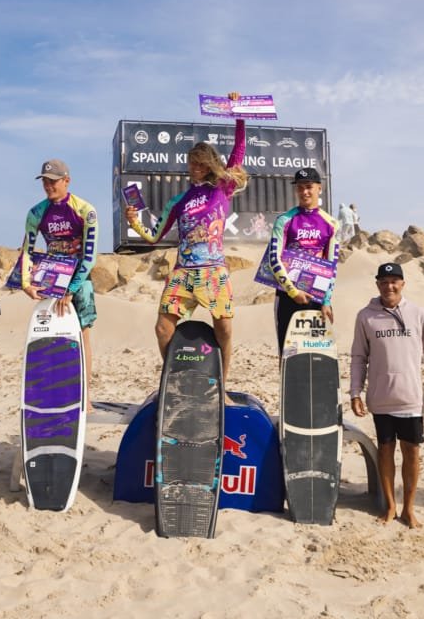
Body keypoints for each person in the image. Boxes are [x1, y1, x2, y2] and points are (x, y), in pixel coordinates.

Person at [125, 92, 247, 386]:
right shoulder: (178, 201)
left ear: (209, 165)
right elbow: (155, 237)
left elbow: (238, 153)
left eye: (199, 164)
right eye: (191, 163)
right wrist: (134, 222)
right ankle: (176, 382)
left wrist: (238, 114)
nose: (193, 168)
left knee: (225, 328)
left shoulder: (222, 189)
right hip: (184, 272)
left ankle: (222, 385)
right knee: (163, 329)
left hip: (214, 270)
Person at [349, 262, 424, 528]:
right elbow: (358, 357)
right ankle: (390, 506)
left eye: (394, 281)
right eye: (383, 282)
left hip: (411, 398)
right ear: (377, 284)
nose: (389, 286)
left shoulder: (418, 313)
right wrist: (355, 392)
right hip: (380, 399)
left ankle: (409, 509)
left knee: (412, 453)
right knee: (385, 452)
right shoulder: (365, 316)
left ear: (402, 283)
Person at [21, 158, 98, 405]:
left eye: (53, 181)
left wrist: (72, 290)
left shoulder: (85, 210)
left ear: (67, 181)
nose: (48, 185)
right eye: (45, 181)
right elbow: (26, 251)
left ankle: (85, 396)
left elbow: (90, 256)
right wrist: (25, 283)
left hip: (79, 280)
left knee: (82, 334)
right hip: (52, 279)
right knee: (52, 334)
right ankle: (56, 391)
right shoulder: (36, 212)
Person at [267, 167, 338, 353]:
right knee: (287, 351)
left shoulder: (331, 223)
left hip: (316, 295)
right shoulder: (284, 220)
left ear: (319, 188)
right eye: (300, 187)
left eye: (309, 186)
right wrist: (292, 291)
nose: (304, 192)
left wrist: (327, 300)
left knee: (316, 351)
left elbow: (332, 265)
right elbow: (274, 259)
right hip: (287, 295)